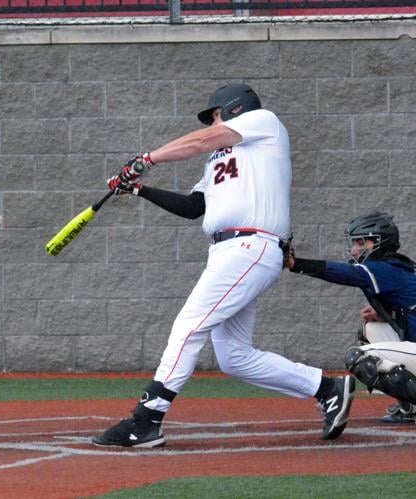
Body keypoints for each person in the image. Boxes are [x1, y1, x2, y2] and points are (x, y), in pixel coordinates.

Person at [91, 83, 355, 448]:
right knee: (235, 357)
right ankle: (327, 387)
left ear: (234, 109)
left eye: (215, 115)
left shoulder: (264, 122)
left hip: (250, 245)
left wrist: (145, 161)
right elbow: (192, 207)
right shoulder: (216, 161)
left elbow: (201, 140)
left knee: (189, 325)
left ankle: (146, 420)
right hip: (228, 252)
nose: (212, 123)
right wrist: (137, 189)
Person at [287, 211, 416, 423]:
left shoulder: (385, 268)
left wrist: (296, 264)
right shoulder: (399, 266)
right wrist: (388, 313)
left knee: (358, 358)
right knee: (370, 330)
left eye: (360, 242)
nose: (354, 249)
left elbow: (346, 273)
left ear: (378, 242)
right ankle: (410, 409)